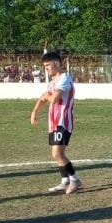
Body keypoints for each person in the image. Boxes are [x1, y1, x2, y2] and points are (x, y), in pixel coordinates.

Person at [30, 52, 82, 194]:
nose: (46, 68)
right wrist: (35, 111)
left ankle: (75, 179)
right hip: (53, 122)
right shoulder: (53, 82)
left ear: (57, 63)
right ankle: (65, 181)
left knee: (57, 153)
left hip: (63, 121)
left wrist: (48, 96)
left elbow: (53, 99)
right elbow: (43, 98)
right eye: (44, 66)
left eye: (48, 65)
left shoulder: (64, 79)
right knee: (57, 154)